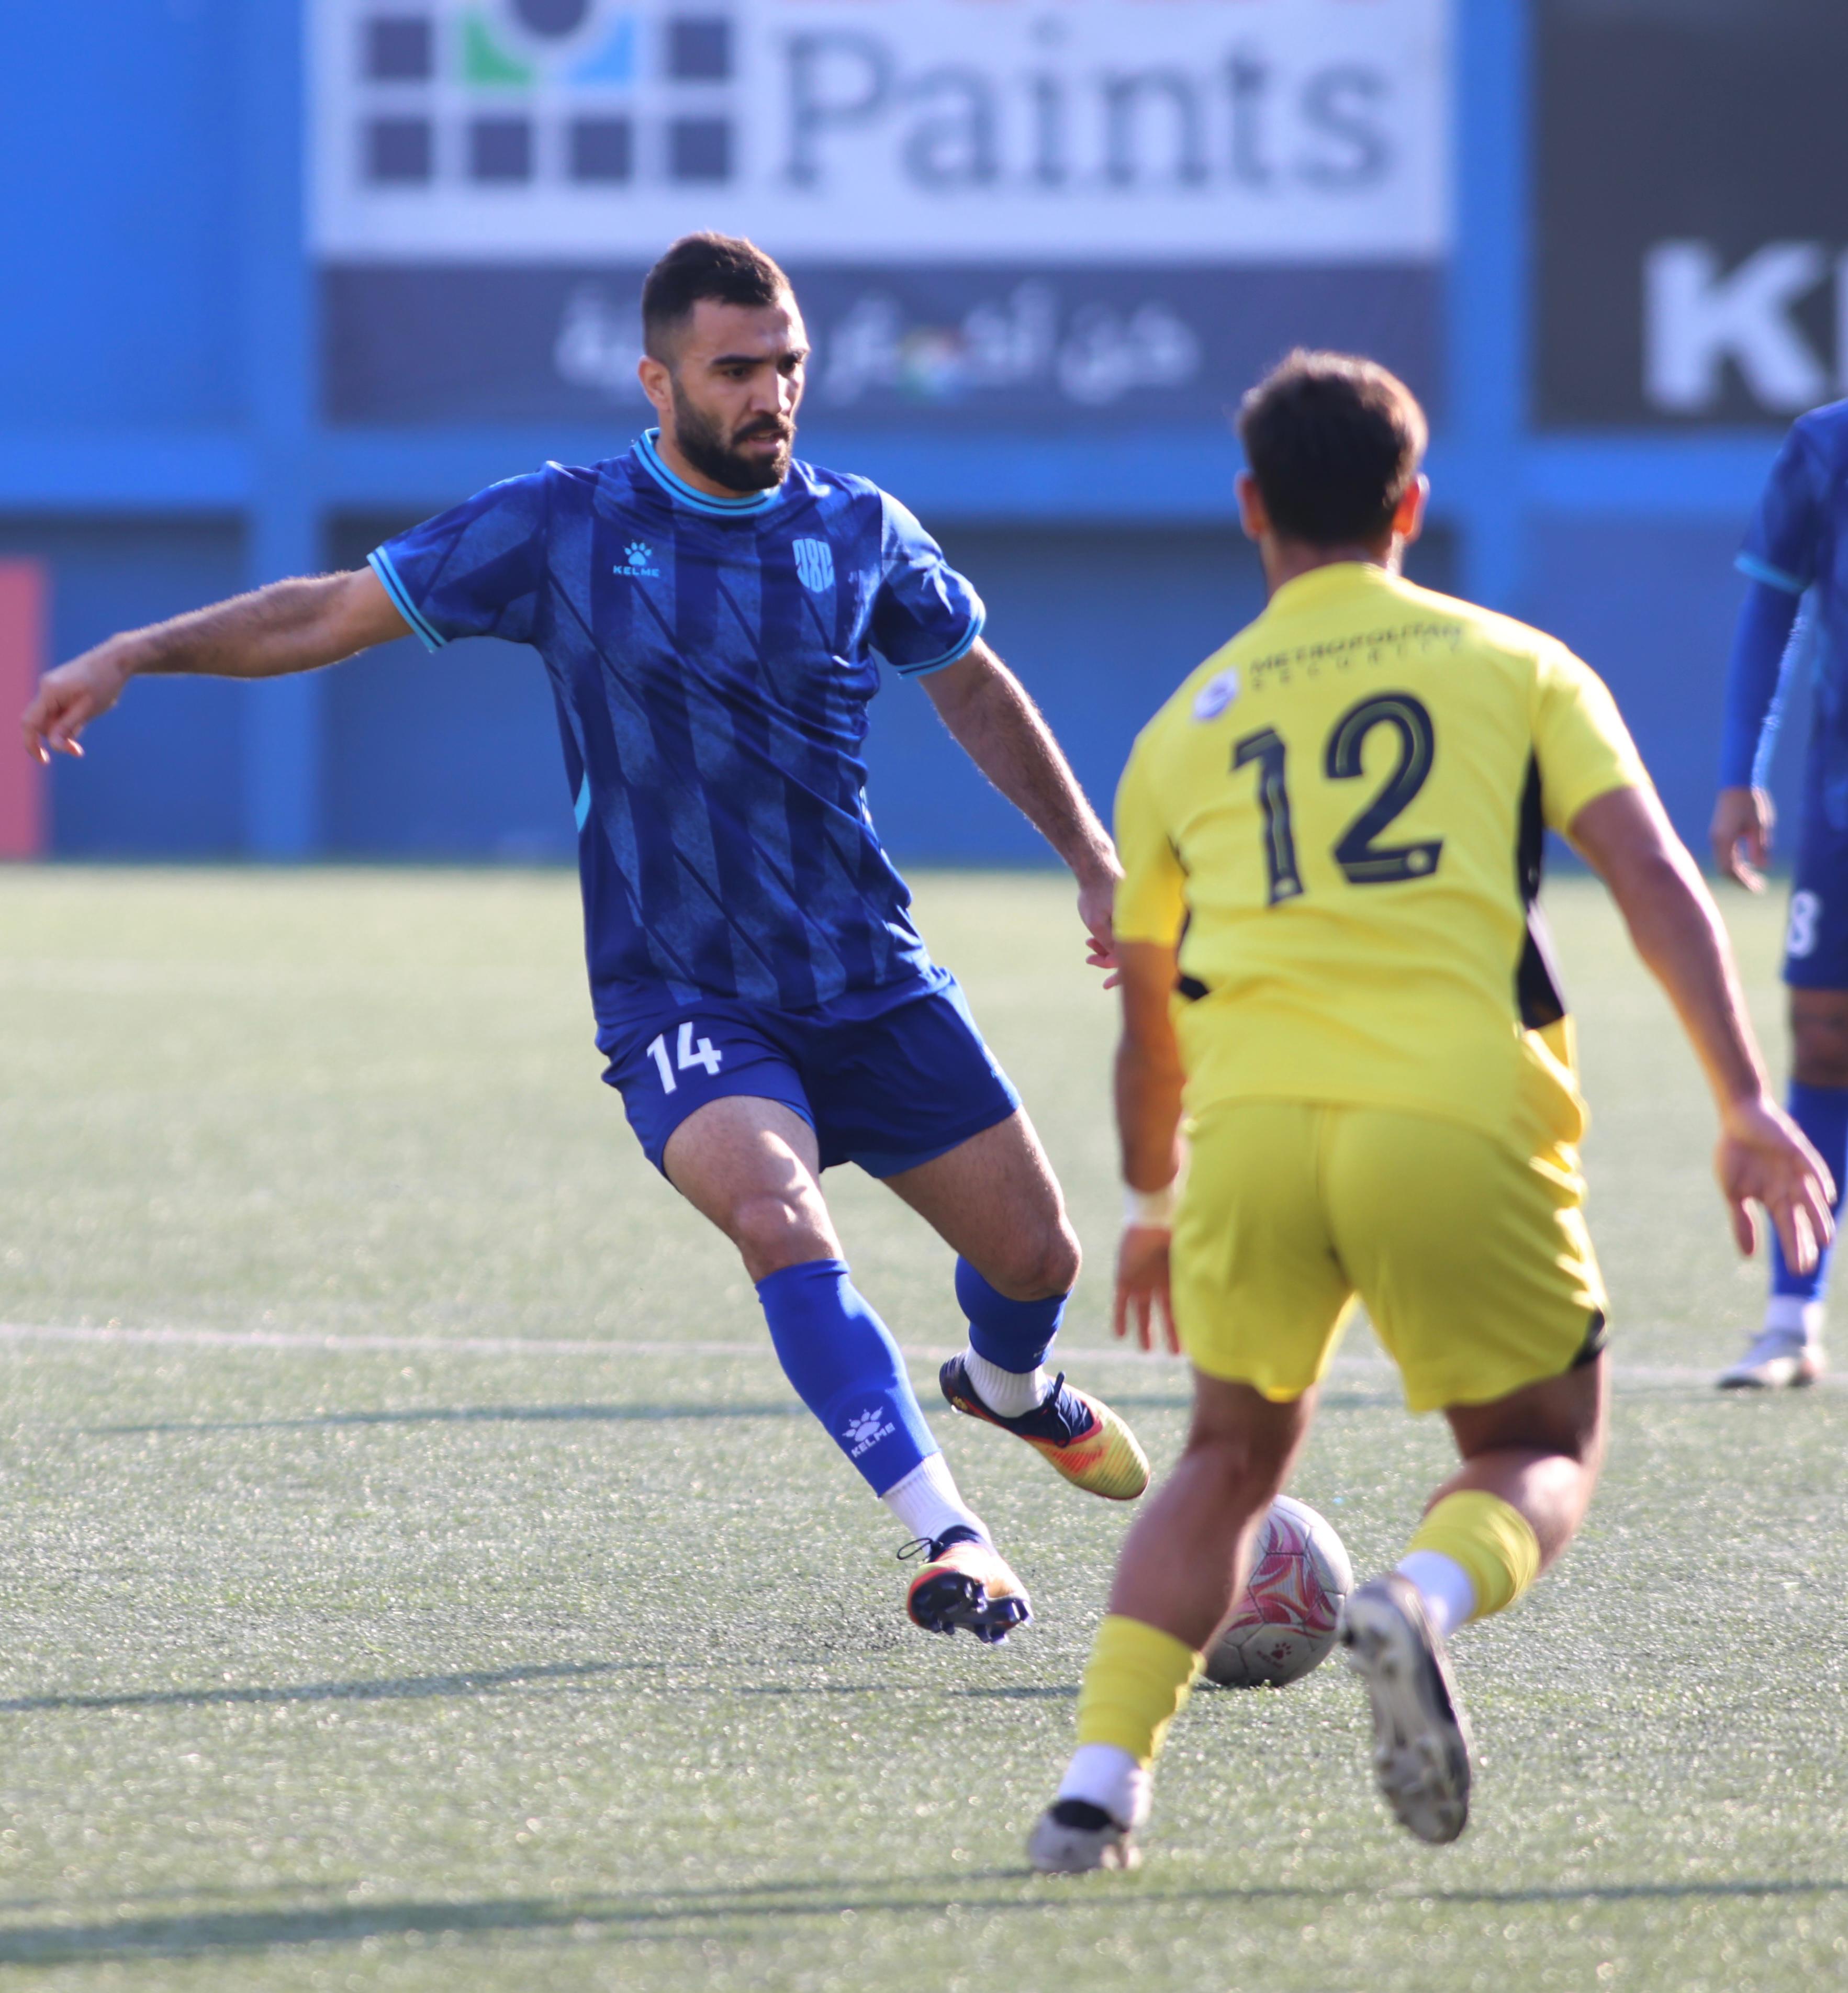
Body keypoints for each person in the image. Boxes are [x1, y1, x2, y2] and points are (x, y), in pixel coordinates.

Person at [20, 232, 1150, 1645]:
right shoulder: (557, 526)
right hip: (682, 992)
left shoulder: (860, 531)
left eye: (788, 367)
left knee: (1040, 1256)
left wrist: (1090, 859)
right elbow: (329, 611)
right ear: (656, 379)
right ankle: (953, 1538)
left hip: (866, 975)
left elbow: (970, 684)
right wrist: (133, 651)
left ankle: (1004, 1385)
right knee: (771, 1210)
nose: (772, 396)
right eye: (735, 370)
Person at [1026, 351, 1834, 1873]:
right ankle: (1415, 1599)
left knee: (1222, 1459)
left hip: (1254, 1138)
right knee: (1539, 1439)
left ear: (1250, 509)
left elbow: (1145, 1020)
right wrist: (1741, 1099)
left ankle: (1096, 1786)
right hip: (1454, 1117)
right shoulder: (1513, 664)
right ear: (1410, 504)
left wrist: (1149, 1205)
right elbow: (1656, 880)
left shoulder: (1176, 731)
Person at [1711, 397, 1848, 1389]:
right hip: (1841, 801)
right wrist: (1738, 770)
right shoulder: (1827, 445)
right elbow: (1771, 607)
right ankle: (1794, 1316)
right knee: (1824, 1035)